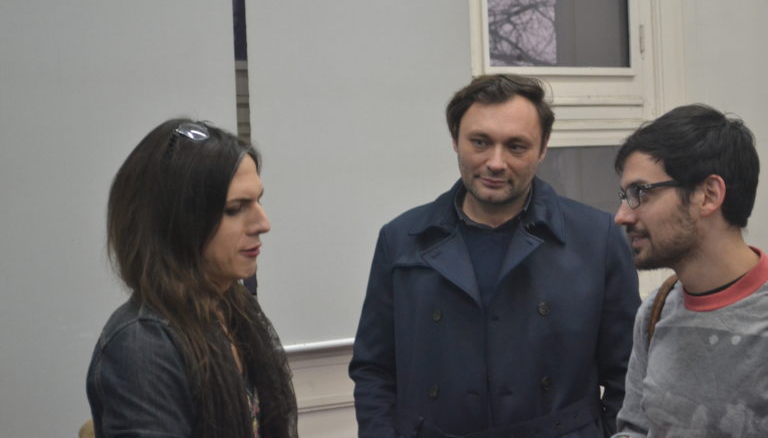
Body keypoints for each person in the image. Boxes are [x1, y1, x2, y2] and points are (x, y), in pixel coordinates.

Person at [349, 74, 640, 438]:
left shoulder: (598, 238)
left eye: (516, 146)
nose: (496, 162)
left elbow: (628, 374)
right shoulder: (402, 239)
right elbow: (374, 369)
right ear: (455, 139)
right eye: (480, 142)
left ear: (543, 148)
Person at [86, 119, 297, 438]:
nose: (262, 223)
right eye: (235, 208)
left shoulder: (232, 308)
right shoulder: (142, 346)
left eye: (258, 201)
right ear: (178, 222)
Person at [612, 104, 766, 437]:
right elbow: (636, 428)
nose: (621, 216)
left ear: (708, 195)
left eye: (640, 193)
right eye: (624, 195)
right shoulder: (656, 310)